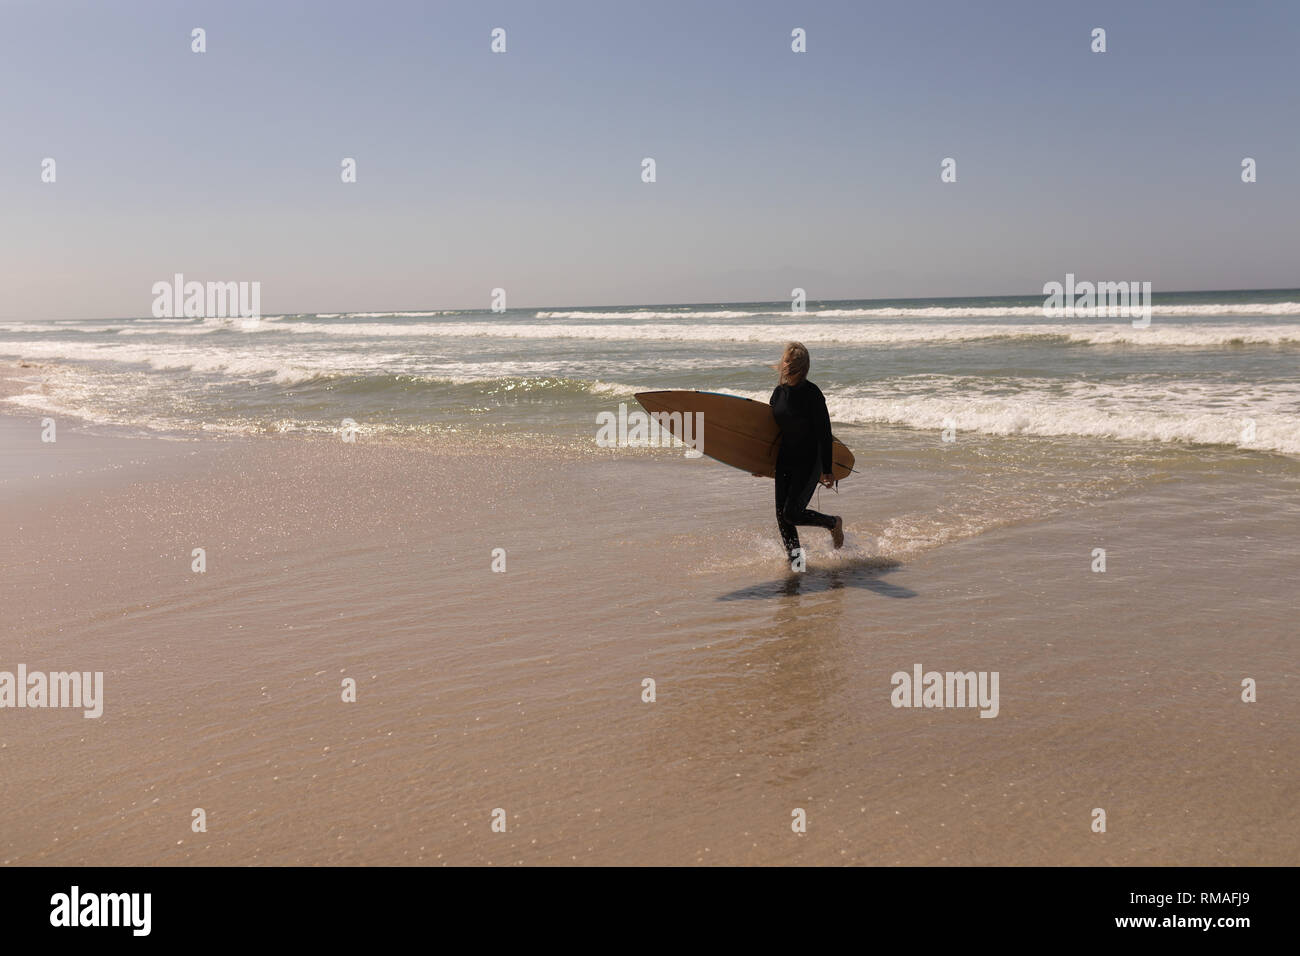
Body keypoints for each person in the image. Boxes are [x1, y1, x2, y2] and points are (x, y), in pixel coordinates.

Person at [761, 342, 844, 561]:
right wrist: (759, 463)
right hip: (785, 459)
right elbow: (771, 432)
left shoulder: (812, 394)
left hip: (809, 461)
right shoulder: (778, 393)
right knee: (783, 518)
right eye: (786, 360)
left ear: (803, 366)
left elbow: (824, 433)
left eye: (791, 361)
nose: (786, 364)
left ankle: (833, 523)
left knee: (792, 514)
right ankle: (797, 565)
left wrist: (827, 469)